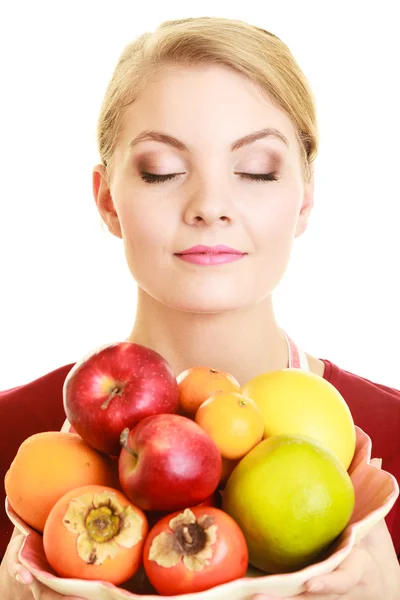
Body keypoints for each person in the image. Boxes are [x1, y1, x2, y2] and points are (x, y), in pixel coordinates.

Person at [1, 15, 399, 600]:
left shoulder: (393, 432)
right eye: (161, 171)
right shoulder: (10, 434)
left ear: (306, 197)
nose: (210, 205)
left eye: (255, 171)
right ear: (108, 200)